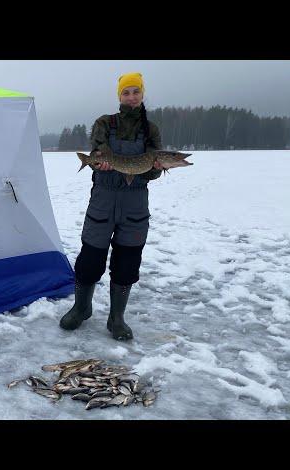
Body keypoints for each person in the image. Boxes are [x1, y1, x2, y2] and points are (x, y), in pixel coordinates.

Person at [59, 72, 164, 340]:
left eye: (136, 92)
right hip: (103, 199)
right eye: (126, 92)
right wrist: (101, 161)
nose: (131, 97)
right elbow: (99, 150)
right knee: (90, 257)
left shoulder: (150, 130)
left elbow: (151, 174)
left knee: (128, 261)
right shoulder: (105, 123)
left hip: (135, 203)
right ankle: (82, 308)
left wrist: (155, 168)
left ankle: (117, 318)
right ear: (119, 96)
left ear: (142, 94)